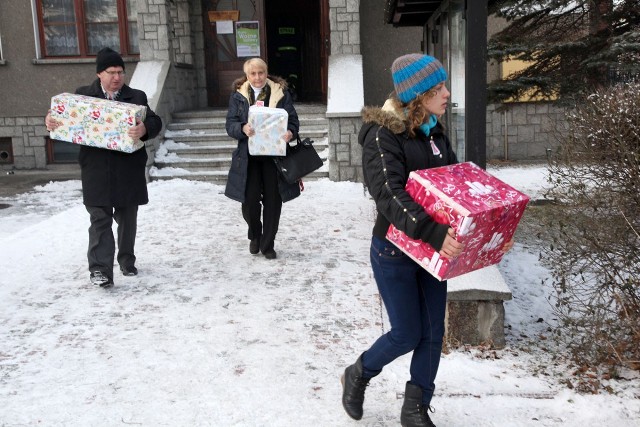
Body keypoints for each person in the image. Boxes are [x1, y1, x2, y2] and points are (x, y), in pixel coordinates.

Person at [340, 54, 514, 426]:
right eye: (440, 88)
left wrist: (493, 233)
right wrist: (434, 232)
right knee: (407, 333)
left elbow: (459, 189)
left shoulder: (434, 132)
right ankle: (359, 373)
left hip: (432, 254)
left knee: (433, 332)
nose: (448, 94)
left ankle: (416, 407)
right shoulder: (382, 134)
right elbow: (389, 195)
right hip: (394, 250)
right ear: (419, 95)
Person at [45, 47, 162, 288]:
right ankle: (100, 270)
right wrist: (50, 120)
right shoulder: (83, 97)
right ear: (100, 73)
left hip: (128, 169)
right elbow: (62, 119)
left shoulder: (136, 96)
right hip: (96, 169)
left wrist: (145, 129)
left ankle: (127, 260)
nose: (117, 77)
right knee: (99, 219)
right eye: (111, 72)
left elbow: (155, 120)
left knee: (127, 218)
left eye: (120, 72)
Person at [224, 58, 301, 260]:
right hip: (248, 157)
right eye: (253, 74)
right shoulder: (238, 95)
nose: (257, 77)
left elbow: (292, 120)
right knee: (249, 201)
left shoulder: (280, 93)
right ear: (247, 76)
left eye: (261, 73)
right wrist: (242, 128)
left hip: (273, 157)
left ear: (266, 73)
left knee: (273, 201)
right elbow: (230, 124)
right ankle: (255, 235)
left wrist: (290, 132)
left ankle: (268, 244)